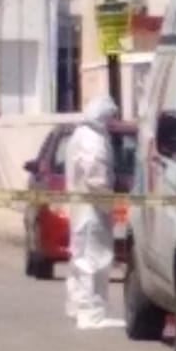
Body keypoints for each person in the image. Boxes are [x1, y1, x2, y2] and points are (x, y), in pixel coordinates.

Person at [64, 95, 123, 329]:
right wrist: (109, 194)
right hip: (92, 208)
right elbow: (96, 173)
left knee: (80, 257)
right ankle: (91, 314)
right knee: (93, 260)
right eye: (112, 118)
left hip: (81, 208)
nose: (113, 123)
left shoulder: (79, 135)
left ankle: (77, 306)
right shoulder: (93, 140)